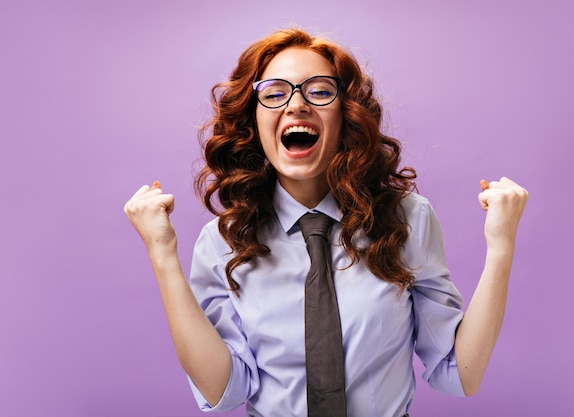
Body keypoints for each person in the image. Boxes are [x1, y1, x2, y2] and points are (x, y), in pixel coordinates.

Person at [124, 27, 529, 417]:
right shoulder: (224, 242)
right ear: (254, 123)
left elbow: (462, 373)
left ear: (346, 117)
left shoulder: (406, 219)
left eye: (319, 91)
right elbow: (223, 390)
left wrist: (501, 247)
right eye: (275, 93)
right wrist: (162, 256)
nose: (296, 104)